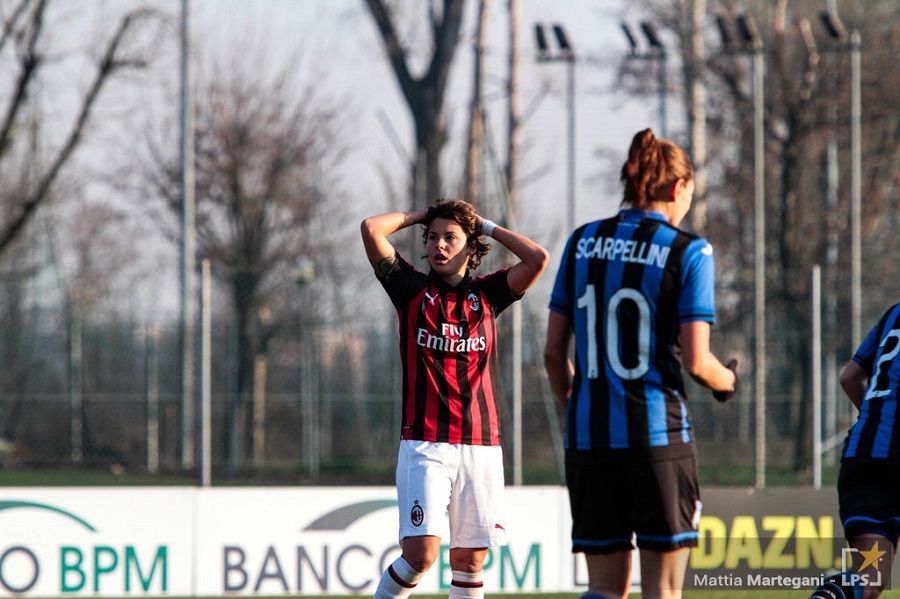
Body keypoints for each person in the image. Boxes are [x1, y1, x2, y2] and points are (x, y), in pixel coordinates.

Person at [543, 128, 738, 599]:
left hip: (589, 440)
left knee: (604, 589)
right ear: (677, 188)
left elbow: (552, 354)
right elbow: (698, 362)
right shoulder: (689, 251)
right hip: (657, 438)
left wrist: (577, 405)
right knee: (662, 590)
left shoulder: (581, 241)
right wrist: (728, 380)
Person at [360, 198, 549, 599]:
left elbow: (537, 259)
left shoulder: (488, 294)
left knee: (470, 562)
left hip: (481, 446)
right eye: (432, 238)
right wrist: (421, 216)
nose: (439, 245)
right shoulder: (410, 289)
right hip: (425, 444)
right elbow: (371, 229)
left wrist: (485, 225)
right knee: (421, 555)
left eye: (450, 237)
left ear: (470, 245)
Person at [808, 303, 900, 599]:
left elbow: (849, 377)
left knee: (869, 580)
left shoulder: (894, 314)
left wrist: (879, 421)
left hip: (864, 457)